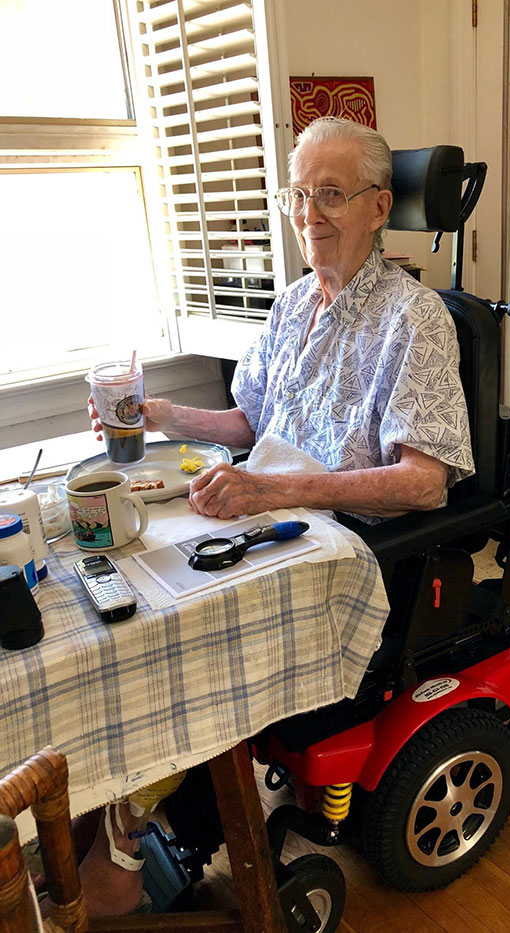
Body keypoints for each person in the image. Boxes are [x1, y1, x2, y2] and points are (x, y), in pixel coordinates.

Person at [82, 116, 473, 916]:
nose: (309, 212)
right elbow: (247, 425)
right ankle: (118, 796)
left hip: (353, 550)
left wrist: (273, 493)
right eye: (300, 192)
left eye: (331, 193)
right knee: (130, 588)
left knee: (183, 631)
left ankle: (135, 833)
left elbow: (425, 482)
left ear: (376, 206)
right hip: (269, 523)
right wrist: (158, 413)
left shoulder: (414, 319)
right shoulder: (293, 303)